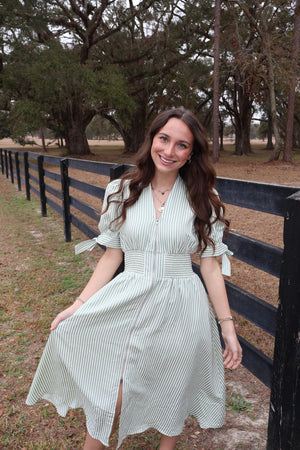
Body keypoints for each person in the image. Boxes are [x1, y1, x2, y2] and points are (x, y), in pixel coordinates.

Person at [26, 107, 242, 450]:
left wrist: (227, 328)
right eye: (164, 139)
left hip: (182, 303)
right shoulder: (122, 190)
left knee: (175, 381)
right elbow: (112, 255)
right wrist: (78, 304)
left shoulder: (205, 198)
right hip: (129, 295)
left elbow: (211, 266)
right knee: (114, 390)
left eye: (181, 145)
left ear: (191, 154)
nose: (169, 152)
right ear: (152, 140)